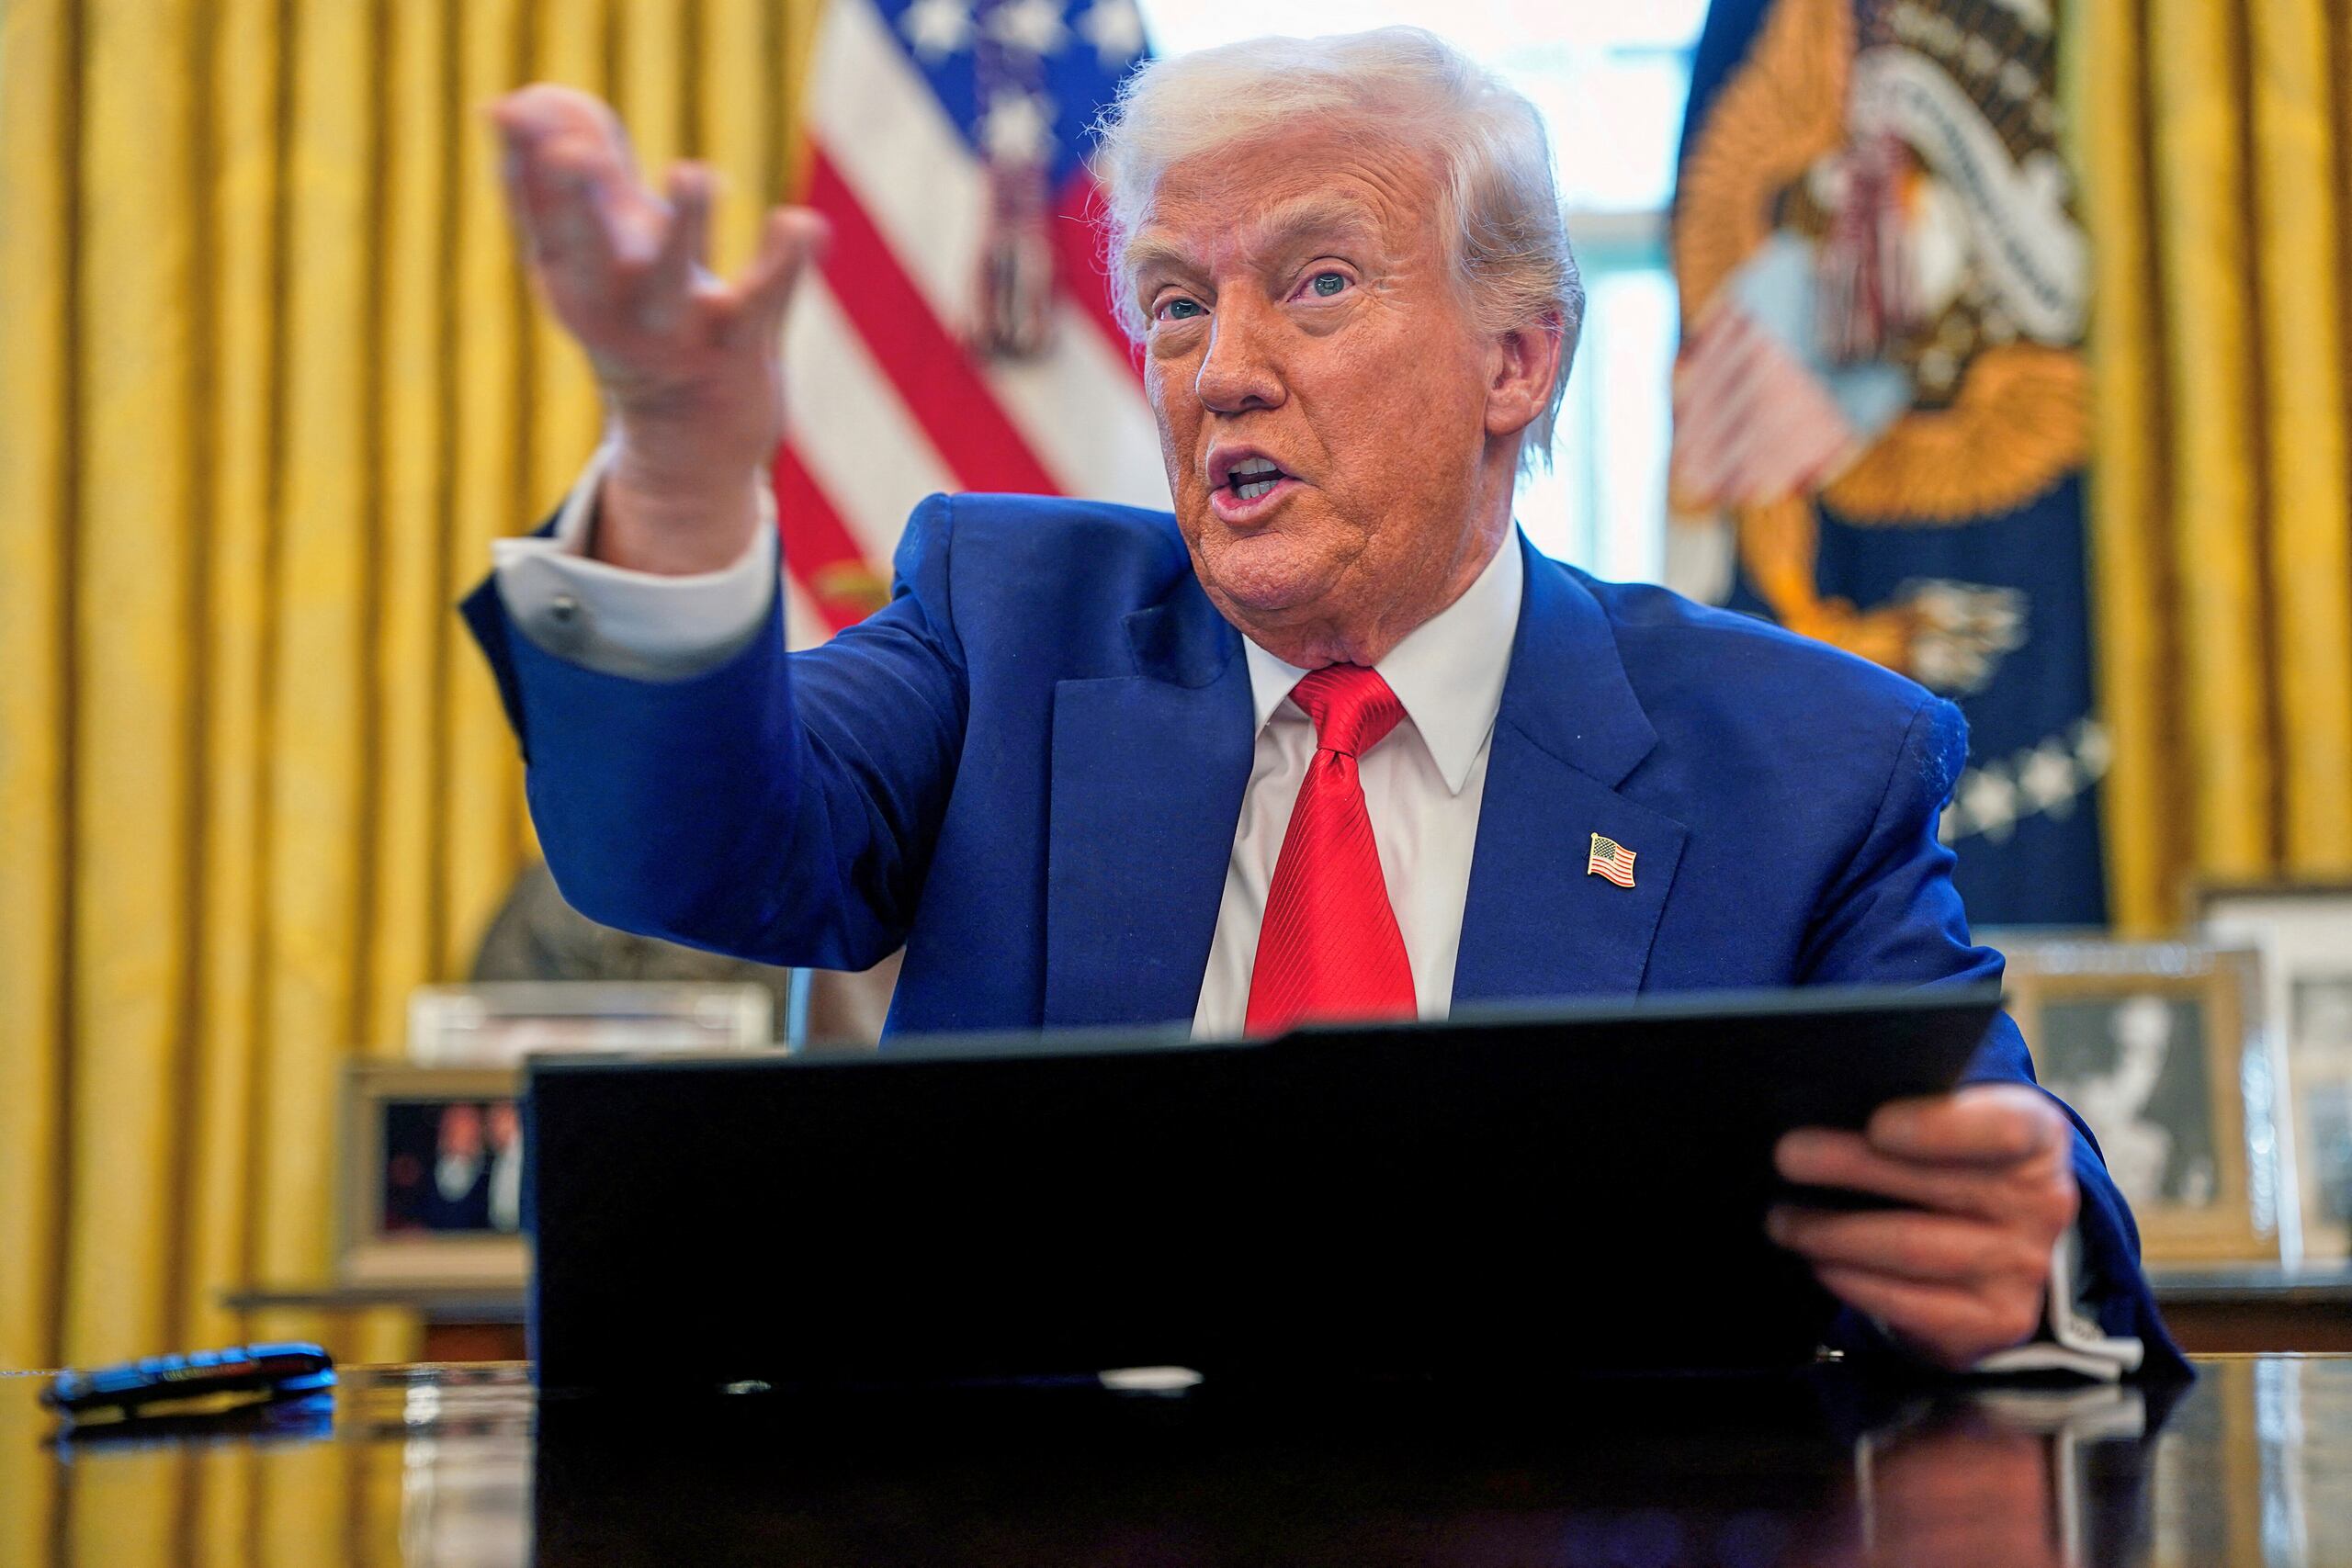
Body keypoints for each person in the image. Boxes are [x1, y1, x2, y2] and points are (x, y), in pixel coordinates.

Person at [462, 28, 2181, 1378]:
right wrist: (682, 480)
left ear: (1519, 360)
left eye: (1319, 282)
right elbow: (689, 853)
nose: (1223, 370)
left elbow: (1999, 1172)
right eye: (1177, 303)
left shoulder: (1810, 760)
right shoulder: (1004, 628)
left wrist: (2022, 1256)